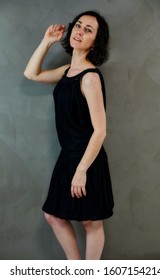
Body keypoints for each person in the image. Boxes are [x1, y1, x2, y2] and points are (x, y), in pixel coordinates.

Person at [24, 10, 114, 260]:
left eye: (89, 30)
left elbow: (100, 130)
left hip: (87, 158)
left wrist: (82, 170)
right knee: (53, 215)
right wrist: (46, 41)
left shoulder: (90, 78)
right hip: (68, 157)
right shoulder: (66, 72)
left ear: (95, 41)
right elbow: (32, 74)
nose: (80, 31)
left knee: (91, 222)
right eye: (79, 25)